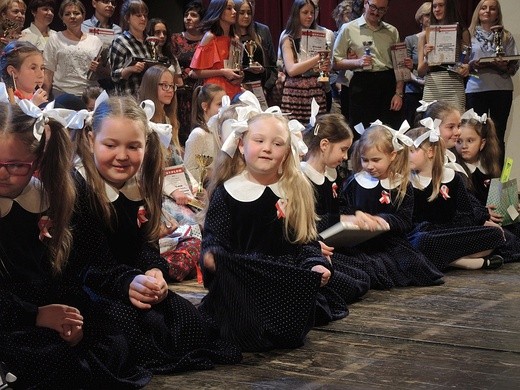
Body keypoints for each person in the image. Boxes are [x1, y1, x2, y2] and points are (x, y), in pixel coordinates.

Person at [67, 95, 242, 373]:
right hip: (93, 288)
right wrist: (128, 282)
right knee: (124, 334)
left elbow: (143, 245)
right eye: (110, 145)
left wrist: (153, 270)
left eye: (133, 146)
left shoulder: (136, 187)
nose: (122, 155)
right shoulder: (79, 189)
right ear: (90, 139)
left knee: (190, 322)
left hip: (130, 282)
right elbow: (90, 265)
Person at [0, 100, 151, 388]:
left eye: (16, 165)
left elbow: (66, 270)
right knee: (48, 361)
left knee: (113, 339)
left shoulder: (48, 198)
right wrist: (36, 315)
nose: (3, 173)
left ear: (36, 160)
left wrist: (71, 316)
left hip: (45, 304)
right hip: (11, 314)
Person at [201, 110, 334, 351]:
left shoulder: (294, 190)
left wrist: (315, 264)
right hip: (243, 279)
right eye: (259, 140)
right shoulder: (226, 192)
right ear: (241, 145)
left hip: (283, 276)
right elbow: (214, 238)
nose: (267, 148)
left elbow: (305, 241)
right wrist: (212, 255)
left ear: (286, 153)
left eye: (277, 143)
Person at [338, 122, 444, 288]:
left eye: (376, 160)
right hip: (361, 244)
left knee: (410, 264)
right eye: (364, 160)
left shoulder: (401, 184)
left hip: (391, 242)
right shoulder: (354, 182)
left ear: (392, 155)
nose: (369, 166)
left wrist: (383, 220)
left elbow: (405, 219)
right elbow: (344, 208)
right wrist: (356, 218)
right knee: (364, 264)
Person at [407, 123, 505, 271]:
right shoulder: (406, 181)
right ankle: (464, 262)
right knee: (421, 241)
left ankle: (440, 259)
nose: (405, 157)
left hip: (449, 234)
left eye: (411, 151)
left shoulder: (452, 177)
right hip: (423, 235)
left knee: (495, 234)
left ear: (430, 152)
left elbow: (466, 214)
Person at [301, 112, 370, 306]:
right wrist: (341, 220)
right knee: (356, 283)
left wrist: (351, 218)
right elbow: (308, 220)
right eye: (343, 149)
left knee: (365, 274)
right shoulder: (303, 177)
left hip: (331, 244)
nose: (345, 156)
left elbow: (337, 207)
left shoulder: (330, 175)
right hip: (314, 246)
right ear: (324, 145)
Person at [333, 0, 408, 133]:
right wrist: (357, 62)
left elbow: (399, 65)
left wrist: (399, 94)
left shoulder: (392, 31)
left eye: (381, 9)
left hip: (387, 84)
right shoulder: (348, 28)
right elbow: (335, 62)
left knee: (388, 132)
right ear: (365, 4)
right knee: (360, 132)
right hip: (361, 84)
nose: (376, 12)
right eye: (373, 7)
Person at [465, 0, 518, 167]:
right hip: (475, 89)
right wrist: (471, 65)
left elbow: (514, 67)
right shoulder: (468, 34)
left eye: (492, 8)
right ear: (478, 11)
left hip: (501, 89)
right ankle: (476, 180)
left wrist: (505, 66)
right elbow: (461, 62)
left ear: (497, 13)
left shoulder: (506, 36)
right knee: (475, 134)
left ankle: (496, 183)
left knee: (497, 135)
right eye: (484, 7)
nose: (487, 11)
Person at [279, 0, 329, 123]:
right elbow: (291, 70)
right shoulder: (288, 39)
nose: (310, 16)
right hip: (295, 93)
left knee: (316, 131)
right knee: (295, 132)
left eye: (312, 12)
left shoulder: (318, 37)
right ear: (297, 13)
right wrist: (318, 57)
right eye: (305, 12)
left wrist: (325, 67)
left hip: (315, 91)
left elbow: (322, 68)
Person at [43, 0, 105, 98]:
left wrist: (99, 68)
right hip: (62, 93)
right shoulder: (55, 39)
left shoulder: (95, 40)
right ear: (62, 18)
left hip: (91, 95)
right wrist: (45, 95)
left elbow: (105, 72)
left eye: (76, 13)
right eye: (67, 14)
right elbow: (48, 71)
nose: (72, 16)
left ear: (83, 16)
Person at [417, 0, 470, 112]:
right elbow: (420, 72)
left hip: (454, 87)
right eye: (434, 6)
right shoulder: (424, 35)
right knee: (430, 127)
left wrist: (466, 67)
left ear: (449, 7)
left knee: (455, 125)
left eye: (441, 5)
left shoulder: (462, 32)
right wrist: (427, 58)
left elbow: (466, 62)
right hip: (432, 87)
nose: (437, 9)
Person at [190, 0, 243, 100]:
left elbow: (235, 68)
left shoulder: (235, 39)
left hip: (234, 89)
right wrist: (222, 72)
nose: (234, 12)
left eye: (234, 8)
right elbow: (195, 73)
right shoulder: (210, 37)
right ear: (219, 11)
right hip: (214, 92)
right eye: (229, 8)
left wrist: (240, 76)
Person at [171, 1, 205, 146]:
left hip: (201, 92)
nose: (188, 18)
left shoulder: (207, 39)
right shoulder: (176, 39)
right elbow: (170, 64)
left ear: (201, 19)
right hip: (181, 93)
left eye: (193, 15)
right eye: (186, 15)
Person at [233, 0, 276, 104]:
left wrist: (266, 87)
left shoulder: (262, 31)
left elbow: (272, 65)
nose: (246, 16)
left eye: (249, 13)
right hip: (236, 90)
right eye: (242, 13)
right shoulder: (230, 35)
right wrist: (245, 68)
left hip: (259, 89)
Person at [184, 83, 226, 185]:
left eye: (226, 103)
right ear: (205, 106)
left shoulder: (223, 130)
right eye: (219, 104)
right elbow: (189, 171)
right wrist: (212, 174)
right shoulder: (198, 134)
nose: (225, 108)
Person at [108, 0, 151, 96]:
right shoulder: (121, 41)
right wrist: (130, 69)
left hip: (148, 97)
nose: (143, 19)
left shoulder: (150, 41)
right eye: (138, 15)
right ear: (127, 18)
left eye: (145, 15)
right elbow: (114, 75)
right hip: (129, 97)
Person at [403, 2, 431, 125]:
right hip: (414, 90)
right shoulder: (410, 39)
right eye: (427, 15)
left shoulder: (440, 38)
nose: (431, 18)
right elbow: (404, 68)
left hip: (433, 88)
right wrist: (419, 81)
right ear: (421, 18)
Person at [0, 40, 48, 106]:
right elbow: (13, 115)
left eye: (42, 68)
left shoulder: (43, 101)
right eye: (33, 68)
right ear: (12, 71)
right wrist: (33, 105)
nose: (41, 75)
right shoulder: (3, 99)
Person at [145, 18, 183, 87]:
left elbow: (180, 83)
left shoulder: (171, 57)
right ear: (150, 33)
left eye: (164, 33)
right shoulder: (145, 54)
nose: (162, 36)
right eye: (157, 32)